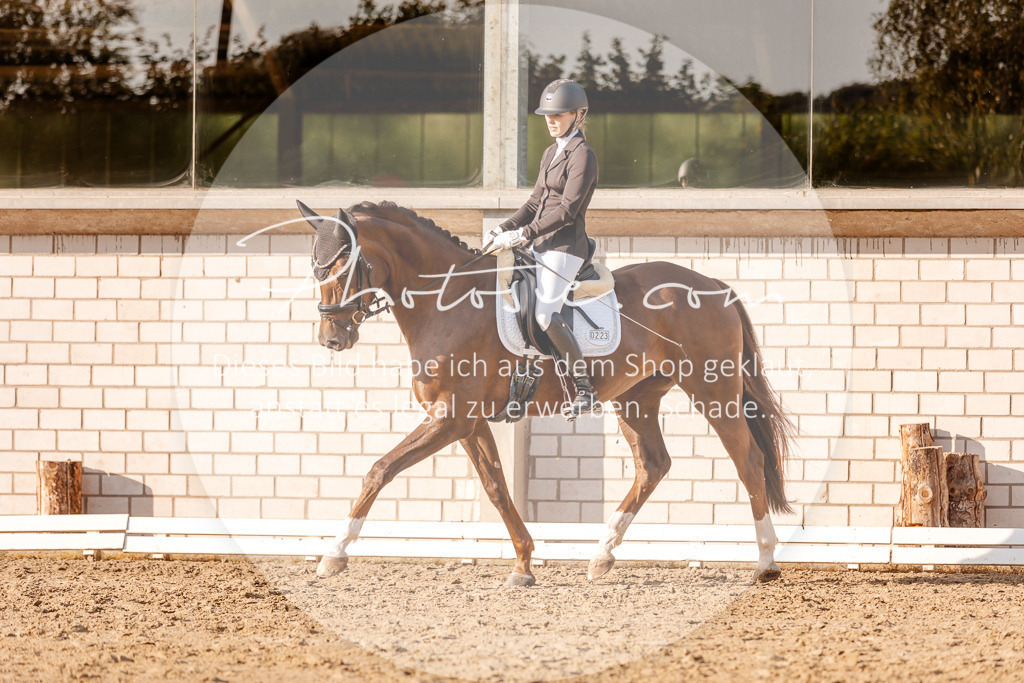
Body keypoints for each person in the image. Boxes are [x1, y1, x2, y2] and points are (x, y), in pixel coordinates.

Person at [486, 78, 599, 419]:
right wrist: (504, 227)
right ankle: (522, 385)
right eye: (547, 115)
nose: (551, 120)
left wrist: (523, 233)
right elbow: (535, 201)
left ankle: (585, 389)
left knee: (544, 313)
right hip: (538, 242)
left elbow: (566, 210)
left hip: (565, 247)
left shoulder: (583, 156)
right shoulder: (552, 152)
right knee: (512, 304)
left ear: (578, 115)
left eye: (559, 114)